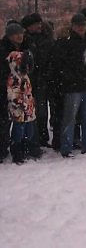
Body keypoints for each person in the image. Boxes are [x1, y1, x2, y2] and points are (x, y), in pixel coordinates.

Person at [51, 14, 86, 157]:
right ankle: (66, 146)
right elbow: (60, 64)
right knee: (69, 118)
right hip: (72, 87)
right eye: (78, 25)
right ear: (72, 26)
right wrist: (68, 78)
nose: (81, 28)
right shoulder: (65, 42)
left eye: (83, 25)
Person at [3, 23, 42, 164]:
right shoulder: (8, 53)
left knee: (28, 125)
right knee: (16, 126)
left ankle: (27, 148)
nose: (20, 36)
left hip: (26, 95)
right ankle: (15, 150)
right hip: (14, 96)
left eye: (21, 33)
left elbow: (31, 68)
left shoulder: (28, 47)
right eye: (16, 34)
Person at [21, 13, 51, 148]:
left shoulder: (44, 39)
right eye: (36, 23)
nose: (39, 25)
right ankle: (31, 140)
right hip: (29, 81)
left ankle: (41, 138)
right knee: (29, 112)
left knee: (42, 111)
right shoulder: (25, 41)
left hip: (41, 80)